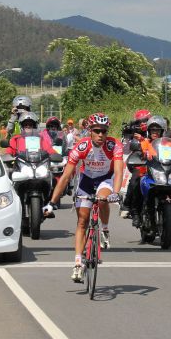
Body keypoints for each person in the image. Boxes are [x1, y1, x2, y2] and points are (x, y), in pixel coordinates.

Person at [43, 113, 123, 283]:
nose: (101, 134)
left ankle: (105, 229)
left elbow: (118, 171)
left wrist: (115, 192)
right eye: (97, 131)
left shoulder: (114, 145)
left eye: (104, 131)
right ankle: (78, 263)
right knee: (82, 221)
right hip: (86, 180)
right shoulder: (81, 146)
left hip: (105, 179)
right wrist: (52, 202)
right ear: (90, 131)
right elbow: (65, 177)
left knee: (102, 199)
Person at [129, 115, 166, 228]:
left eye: (157, 130)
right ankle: (135, 213)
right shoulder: (144, 141)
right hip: (146, 170)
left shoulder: (166, 143)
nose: (155, 132)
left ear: (162, 131)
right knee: (135, 181)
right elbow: (142, 153)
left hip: (163, 171)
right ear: (149, 130)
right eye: (153, 129)